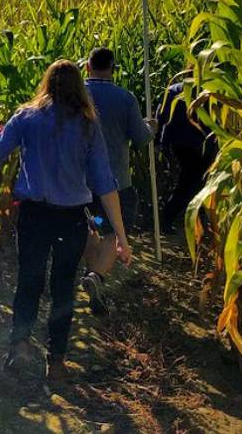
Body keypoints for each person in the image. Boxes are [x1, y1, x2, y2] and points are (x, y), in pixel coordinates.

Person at [0, 59, 132, 382]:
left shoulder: (26, 117)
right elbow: (105, 183)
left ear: (46, 83)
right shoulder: (89, 126)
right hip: (71, 219)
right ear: (80, 87)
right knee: (63, 288)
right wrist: (121, 237)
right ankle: (56, 361)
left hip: (34, 214)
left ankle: (19, 347)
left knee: (29, 280)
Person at [80, 47, 155, 315]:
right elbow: (141, 138)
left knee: (93, 227)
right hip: (117, 182)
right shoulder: (125, 98)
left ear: (88, 67)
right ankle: (97, 277)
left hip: (83, 183)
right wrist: (151, 127)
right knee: (114, 231)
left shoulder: (76, 95)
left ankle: (92, 275)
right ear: (113, 69)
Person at [157, 81, 216, 233]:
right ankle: (169, 218)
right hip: (202, 143)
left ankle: (192, 220)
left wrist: (161, 141)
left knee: (192, 182)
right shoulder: (211, 88)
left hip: (180, 143)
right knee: (192, 183)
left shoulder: (173, 90)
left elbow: (161, 116)